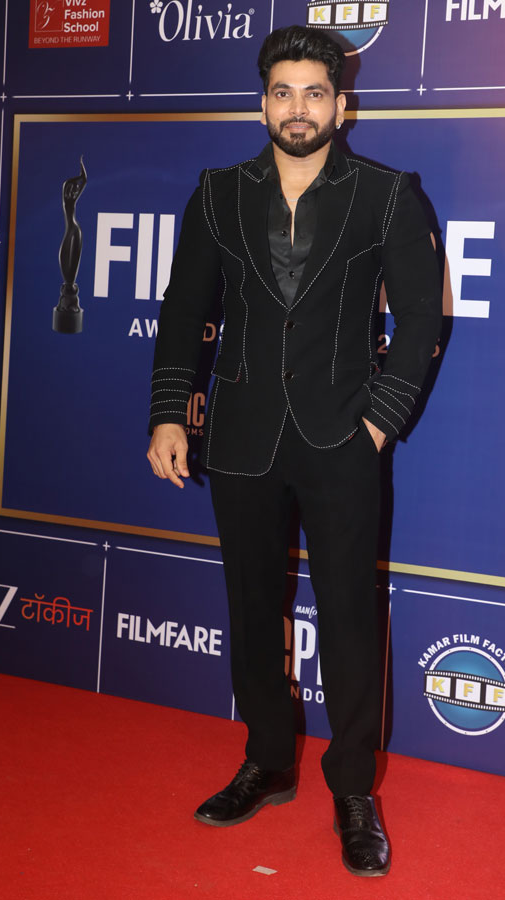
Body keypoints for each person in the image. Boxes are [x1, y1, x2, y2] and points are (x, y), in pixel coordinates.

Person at [145, 25, 441, 877]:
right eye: (283, 92)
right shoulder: (217, 193)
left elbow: (420, 319)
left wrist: (378, 422)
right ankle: (269, 761)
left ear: (342, 106)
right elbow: (184, 309)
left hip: (343, 437)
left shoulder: (387, 194)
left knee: (349, 619)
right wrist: (169, 415)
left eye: (315, 93)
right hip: (241, 435)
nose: (298, 108)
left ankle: (353, 791)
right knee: (251, 611)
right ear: (262, 104)